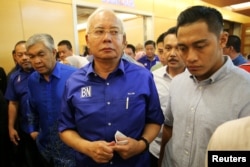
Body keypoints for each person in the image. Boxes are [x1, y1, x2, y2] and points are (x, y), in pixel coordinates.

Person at [58, 7, 164, 167]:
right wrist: (87, 148)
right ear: (87, 40)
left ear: (124, 41)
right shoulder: (73, 81)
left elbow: (155, 121)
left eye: (114, 32)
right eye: (99, 31)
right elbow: (65, 128)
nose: (107, 38)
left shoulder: (143, 77)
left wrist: (141, 144)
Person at [160, 6, 250, 167]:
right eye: (183, 48)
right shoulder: (178, 83)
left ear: (222, 40)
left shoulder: (246, 90)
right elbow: (169, 128)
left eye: (200, 46)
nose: (191, 57)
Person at [26, 34, 76, 167]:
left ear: (54, 53)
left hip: (71, 151)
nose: (36, 61)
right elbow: (31, 107)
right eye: (32, 56)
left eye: (41, 54)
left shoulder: (74, 76)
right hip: (45, 149)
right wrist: (33, 130)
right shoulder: (32, 80)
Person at [150, 26, 186, 167]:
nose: (172, 54)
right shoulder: (152, 78)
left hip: (183, 154)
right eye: (168, 48)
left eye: (178, 48)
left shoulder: (196, 80)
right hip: (154, 150)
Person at [5, 40, 43, 167]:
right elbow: (13, 103)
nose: (24, 58)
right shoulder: (13, 77)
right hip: (26, 129)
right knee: (31, 161)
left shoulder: (44, 72)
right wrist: (11, 127)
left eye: (27, 54)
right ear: (15, 57)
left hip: (48, 128)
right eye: (20, 55)